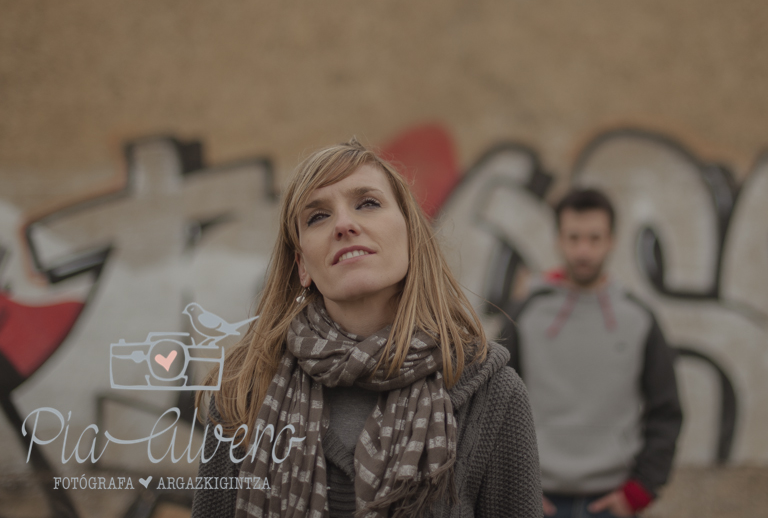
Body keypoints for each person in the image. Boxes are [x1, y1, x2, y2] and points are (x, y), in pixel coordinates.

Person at [192, 138, 542, 518]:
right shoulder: (245, 392)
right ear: (302, 266)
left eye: (368, 203)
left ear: (410, 233)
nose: (344, 224)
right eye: (317, 217)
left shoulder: (492, 397)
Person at [502, 188, 682, 518]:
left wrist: (638, 492)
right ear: (558, 239)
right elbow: (492, 406)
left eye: (594, 238)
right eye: (574, 238)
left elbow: (666, 412)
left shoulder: (638, 318)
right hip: (535, 499)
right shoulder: (524, 315)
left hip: (611, 502)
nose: (583, 251)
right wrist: (513, 486)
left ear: (611, 240)